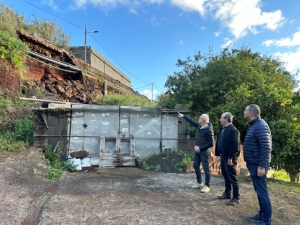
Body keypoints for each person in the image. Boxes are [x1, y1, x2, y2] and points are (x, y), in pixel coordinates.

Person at [243, 104, 272, 225]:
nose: (243, 112)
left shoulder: (260, 126)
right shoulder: (256, 125)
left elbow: (266, 147)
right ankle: (262, 214)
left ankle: (266, 220)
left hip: (258, 166)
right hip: (254, 164)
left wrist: (261, 166)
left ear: (251, 113)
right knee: (259, 191)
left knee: (262, 192)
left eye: (245, 110)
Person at [178, 112, 214, 193]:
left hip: (204, 152)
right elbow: (191, 121)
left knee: (206, 168)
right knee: (195, 165)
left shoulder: (209, 130)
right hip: (198, 151)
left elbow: (211, 143)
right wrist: (184, 116)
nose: (198, 119)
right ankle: (199, 183)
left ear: (203, 120)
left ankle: (207, 185)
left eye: (200, 118)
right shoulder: (199, 126)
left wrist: (200, 148)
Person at [215, 112, 240, 205]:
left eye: (221, 118)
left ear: (226, 119)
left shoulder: (233, 130)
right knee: (225, 176)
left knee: (232, 177)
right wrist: (218, 154)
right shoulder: (222, 129)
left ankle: (236, 197)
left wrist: (230, 157)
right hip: (223, 156)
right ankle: (227, 193)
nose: (220, 120)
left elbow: (235, 146)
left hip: (229, 158)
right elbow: (219, 142)